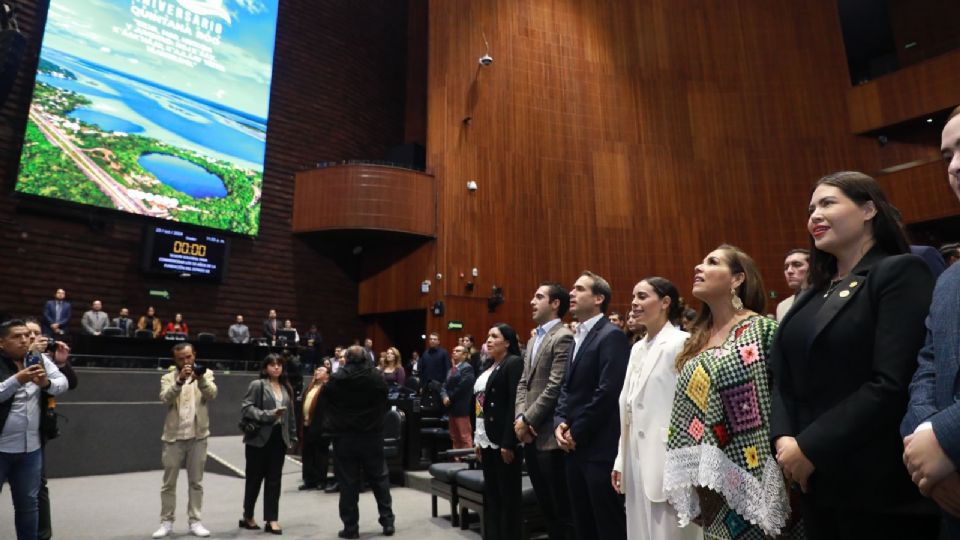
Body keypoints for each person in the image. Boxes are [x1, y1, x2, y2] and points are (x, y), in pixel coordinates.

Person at [768, 172, 938, 540]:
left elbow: (891, 382)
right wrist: (784, 439)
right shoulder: (812, 292)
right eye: (811, 208)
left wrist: (809, 446)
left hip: (876, 487)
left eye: (828, 203)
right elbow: (782, 376)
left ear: (868, 209)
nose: (814, 214)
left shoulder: (898, 272)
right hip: (815, 482)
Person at [663, 245, 794, 539]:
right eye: (700, 261)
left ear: (737, 279)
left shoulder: (762, 329)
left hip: (758, 471)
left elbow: (780, 396)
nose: (699, 267)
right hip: (709, 486)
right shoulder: (696, 341)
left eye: (712, 262)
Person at [902, 108, 960, 537]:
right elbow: (927, 367)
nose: (955, 167)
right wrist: (924, 440)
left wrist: (946, 439)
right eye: (947, 156)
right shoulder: (950, 279)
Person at [612, 278, 699, 540]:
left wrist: (688, 461)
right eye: (633, 297)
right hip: (635, 457)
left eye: (642, 296)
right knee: (639, 532)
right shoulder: (637, 347)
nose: (634, 304)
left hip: (668, 457)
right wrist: (620, 458)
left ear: (664, 302)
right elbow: (628, 409)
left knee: (671, 533)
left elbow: (691, 407)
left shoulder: (682, 342)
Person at [554, 271, 630, 540]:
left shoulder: (611, 335)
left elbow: (607, 392)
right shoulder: (578, 336)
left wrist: (577, 431)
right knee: (582, 522)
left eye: (579, 289)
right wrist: (559, 423)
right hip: (573, 447)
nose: (571, 294)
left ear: (598, 298)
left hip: (598, 448)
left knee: (606, 525)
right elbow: (566, 388)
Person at [514, 282, 575, 540]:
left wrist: (528, 419)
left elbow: (555, 385)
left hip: (549, 434)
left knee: (561, 508)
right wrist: (520, 418)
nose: (532, 301)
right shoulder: (533, 337)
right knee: (545, 506)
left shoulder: (563, 336)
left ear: (555, 304)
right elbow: (523, 382)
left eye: (539, 296)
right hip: (529, 432)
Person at [0, 319, 68, 540]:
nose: (24, 340)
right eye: (17, 336)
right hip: (1, 448)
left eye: (27, 336)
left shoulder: (37, 359)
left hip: (31, 449)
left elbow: (63, 382)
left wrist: (46, 384)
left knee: (28, 506)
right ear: (2, 343)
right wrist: (17, 380)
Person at [320, 345, 394, 538]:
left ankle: (351, 528)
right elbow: (385, 398)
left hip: (345, 437)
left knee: (347, 483)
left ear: (347, 358)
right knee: (379, 478)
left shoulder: (337, 378)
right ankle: (387, 522)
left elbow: (326, 399)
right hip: (372, 435)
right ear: (364, 358)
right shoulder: (375, 377)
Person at [154, 343, 217, 539]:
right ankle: (166, 522)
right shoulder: (168, 377)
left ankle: (195, 521)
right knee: (168, 484)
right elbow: (165, 398)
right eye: (181, 358)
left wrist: (200, 381)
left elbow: (212, 394)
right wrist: (179, 382)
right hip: (173, 437)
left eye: (188, 357)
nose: (186, 361)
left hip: (198, 437)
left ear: (194, 355)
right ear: (175, 360)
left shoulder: (206, 374)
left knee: (196, 483)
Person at [24, 318, 76, 540]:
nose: (34, 338)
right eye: (28, 334)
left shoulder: (46, 360)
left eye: (37, 333)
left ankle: (43, 535)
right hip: (7, 433)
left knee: (38, 485)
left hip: (37, 432)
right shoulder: (8, 360)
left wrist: (62, 363)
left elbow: (69, 383)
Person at [474, 323, 524, 540]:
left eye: (495, 336)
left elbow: (514, 403)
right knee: (492, 495)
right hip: (485, 436)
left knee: (508, 496)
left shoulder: (513, 363)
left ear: (508, 342)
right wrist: (478, 438)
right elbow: (479, 407)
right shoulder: (488, 366)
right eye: (488, 336)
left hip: (502, 440)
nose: (489, 340)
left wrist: (508, 441)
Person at [239, 354, 298, 534]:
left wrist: (293, 436)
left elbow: (290, 416)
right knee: (254, 480)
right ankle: (248, 516)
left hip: (278, 438)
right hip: (258, 439)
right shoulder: (258, 385)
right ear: (265, 368)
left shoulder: (286, 387)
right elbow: (246, 407)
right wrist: (268, 415)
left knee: (274, 481)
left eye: (279, 365)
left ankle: (271, 519)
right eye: (272, 365)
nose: (276, 368)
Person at [300, 367, 331, 490]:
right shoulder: (310, 387)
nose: (317, 372)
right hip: (307, 424)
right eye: (316, 370)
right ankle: (309, 480)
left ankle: (320, 480)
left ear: (327, 375)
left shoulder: (327, 388)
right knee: (307, 453)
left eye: (321, 371)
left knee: (320, 454)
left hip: (320, 426)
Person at [442, 344, 475, 449]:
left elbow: (463, 387)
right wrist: (444, 396)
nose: (454, 352)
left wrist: (449, 398)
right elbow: (443, 386)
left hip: (461, 407)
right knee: (454, 437)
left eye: (458, 351)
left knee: (464, 437)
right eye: (454, 350)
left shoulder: (467, 368)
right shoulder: (451, 370)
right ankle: (457, 463)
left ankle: (467, 463)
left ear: (465, 355)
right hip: (451, 408)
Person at [775, 249, 809, 322]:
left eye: (797, 265)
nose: (789, 271)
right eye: (786, 267)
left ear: (813, 268)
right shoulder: (782, 306)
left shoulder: (827, 299)